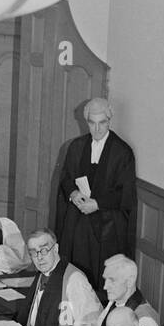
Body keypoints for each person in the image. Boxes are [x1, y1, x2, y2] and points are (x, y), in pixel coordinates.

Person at [55, 97, 137, 295]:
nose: (97, 129)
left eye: (102, 123)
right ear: (86, 122)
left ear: (110, 121)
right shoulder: (76, 146)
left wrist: (98, 204)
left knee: (100, 281)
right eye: (92, 123)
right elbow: (65, 177)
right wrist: (73, 193)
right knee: (75, 276)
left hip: (106, 228)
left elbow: (125, 192)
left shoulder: (122, 152)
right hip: (78, 225)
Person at [16, 228, 102, 326]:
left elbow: (92, 323)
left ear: (55, 248)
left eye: (44, 250)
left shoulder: (74, 279)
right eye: (34, 253)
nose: (39, 258)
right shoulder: (41, 275)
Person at [79, 254, 162, 326]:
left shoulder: (144, 321)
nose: (105, 286)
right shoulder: (115, 303)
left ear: (129, 281)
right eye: (105, 279)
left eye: (112, 280)